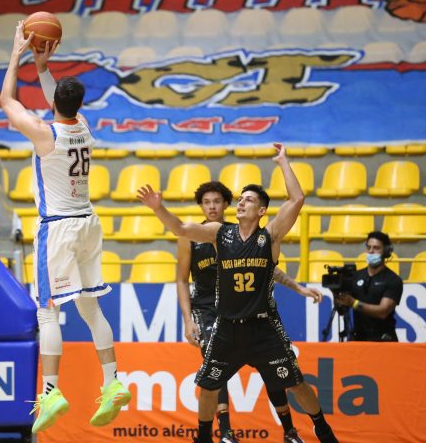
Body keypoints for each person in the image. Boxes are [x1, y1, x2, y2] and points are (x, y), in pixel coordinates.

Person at [138, 143, 338, 443]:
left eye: (249, 200)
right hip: (227, 327)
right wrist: (158, 209)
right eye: (241, 199)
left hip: (263, 327)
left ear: (261, 210)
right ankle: (204, 438)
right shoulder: (219, 233)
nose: (241, 203)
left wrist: (283, 162)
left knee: (295, 383)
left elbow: (297, 199)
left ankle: (323, 429)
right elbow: (180, 228)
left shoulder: (270, 236)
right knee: (208, 386)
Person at [0, 22, 131, 434]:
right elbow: (62, 101)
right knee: (91, 308)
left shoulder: (44, 134)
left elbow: (6, 101)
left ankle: (51, 390)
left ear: (54, 101)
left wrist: (17, 54)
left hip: (58, 228)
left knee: (48, 310)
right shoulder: (83, 127)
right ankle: (112, 382)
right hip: (89, 223)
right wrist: (43, 68)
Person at [177, 181, 323, 443]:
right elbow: (180, 278)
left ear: (226, 204)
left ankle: (289, 430)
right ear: (200, 206)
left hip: (250, 311)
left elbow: (266, 267)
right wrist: (187, 320)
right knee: (212, 371)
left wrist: (297, 287)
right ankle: (224, 432)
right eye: (206, 202)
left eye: (217, 201)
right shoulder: (196, 237)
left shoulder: (238, 233)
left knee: (273, 372)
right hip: (209, 309)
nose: (212, 206)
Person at [335, 231, 403, 341]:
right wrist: (337, 295)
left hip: (383, 340)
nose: (371, 251)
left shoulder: (393, 280)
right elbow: (342, 310)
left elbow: (383, 312)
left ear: (386, 251)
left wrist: (354, 303)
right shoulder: (356, 276)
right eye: (369, 247)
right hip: (359, 339)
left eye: (376, 248)